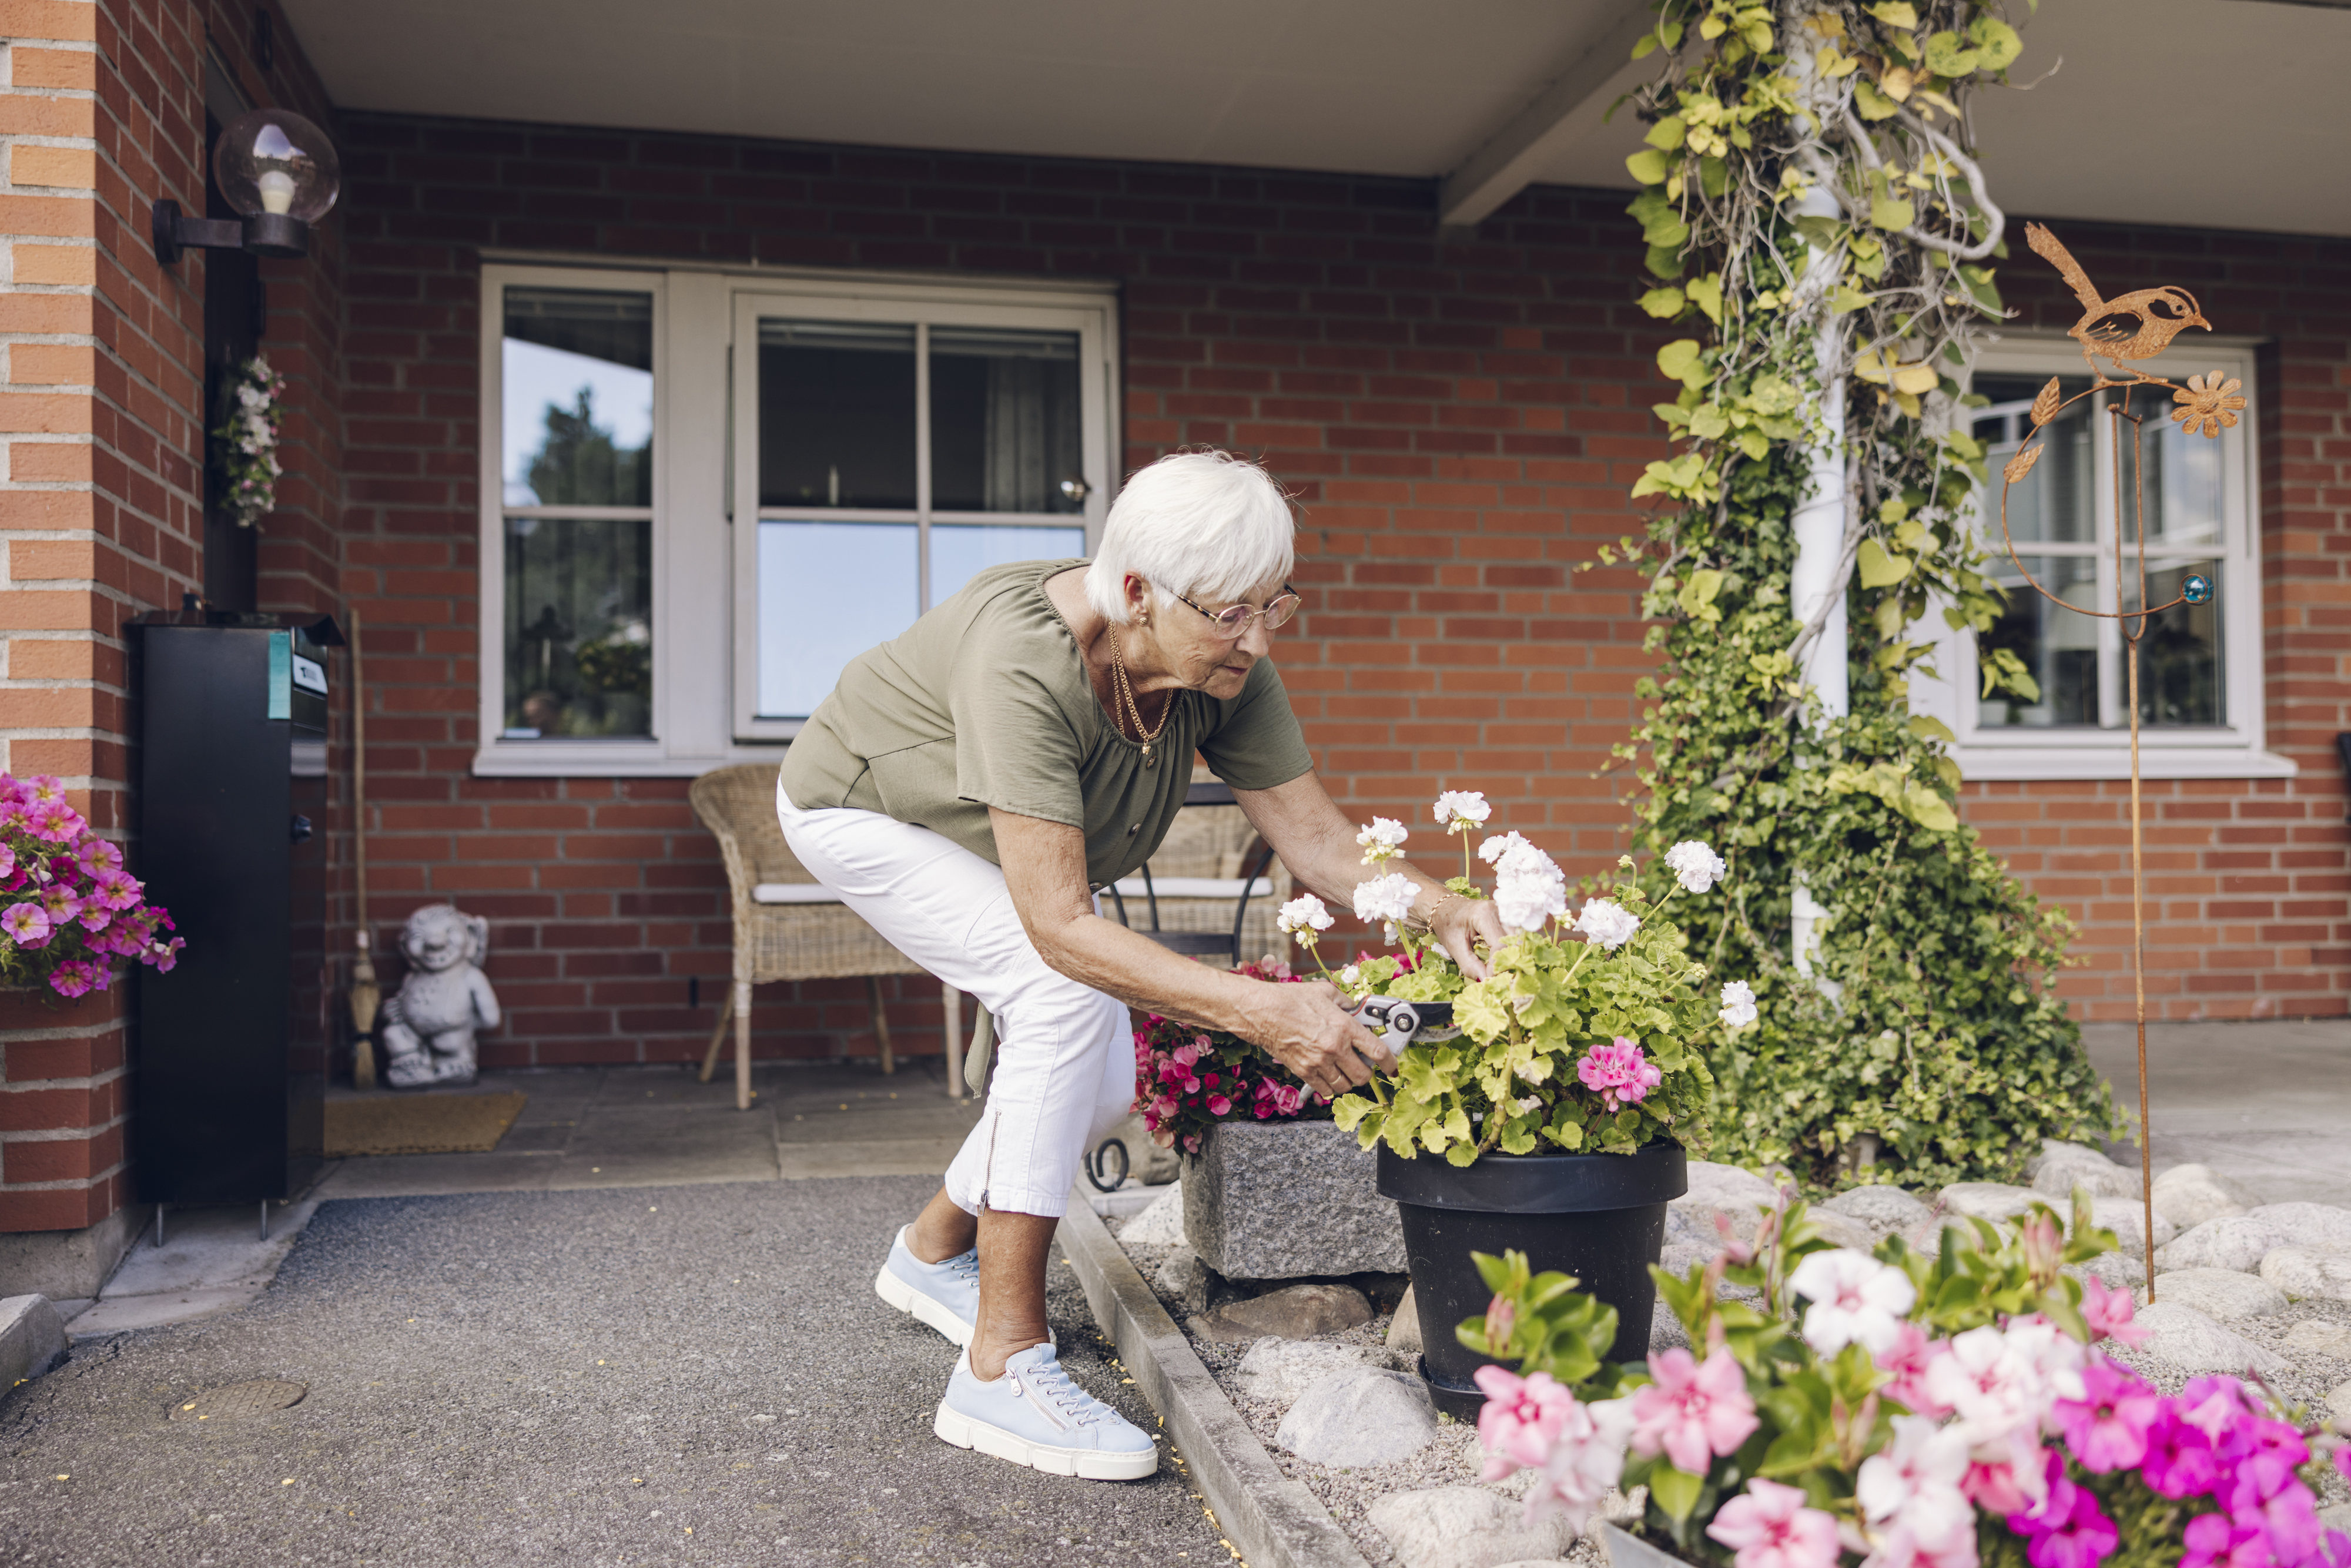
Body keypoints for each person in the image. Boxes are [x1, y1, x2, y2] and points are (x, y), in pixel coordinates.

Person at [776, 449, 1507, 1480]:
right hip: (858, 809)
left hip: (981, 836)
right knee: (1063, 996)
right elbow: (1062, 930)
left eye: (1274, 607)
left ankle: (934, 1249)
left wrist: (1443, 909)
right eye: (1229, 614)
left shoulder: (1213, 662)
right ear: (1132, 593)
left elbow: (1316, 841)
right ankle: (1000, 1364)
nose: (1255, 640)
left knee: (1107, 1074)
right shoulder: (1023, 659)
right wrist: (1260, 1015)